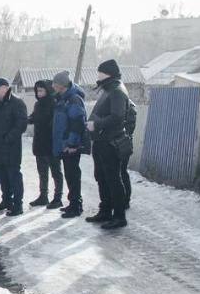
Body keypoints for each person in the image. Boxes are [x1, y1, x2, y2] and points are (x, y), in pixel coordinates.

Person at [86, 59, 131, 229]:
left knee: (113, 179)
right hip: (101, 141)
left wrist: (96, 124)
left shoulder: (117, 91)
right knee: (101, 177)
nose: (98, 76)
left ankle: (119, 216)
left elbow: (117, 117)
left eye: (100, 73)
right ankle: (105, 210)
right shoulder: (108, 89)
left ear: (108, 74)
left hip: (111, 142)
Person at [0, 77, 27, 215]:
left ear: (6, 88)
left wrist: (8, 138)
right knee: (2, 176)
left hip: (11, 148)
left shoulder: (17, 103)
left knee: (14, 176)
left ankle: (18, 204)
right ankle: (6, 200)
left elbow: (21, 124)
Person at [51, 70, 89, 219]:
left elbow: (77, 123)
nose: (53, 87)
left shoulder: (73, 99)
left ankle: (76, 205)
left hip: (71, 145)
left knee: (73, 175)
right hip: (65, 144)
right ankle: (72, 203)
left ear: (61, 85)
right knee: (69, 174)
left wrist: (72, 144)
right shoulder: (63, 98)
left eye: (55, 84)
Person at [28, 79, 63, 209]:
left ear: (48, 91)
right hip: (40, 143)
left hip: (52, 143)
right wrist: (26, 120)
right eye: (37, 90)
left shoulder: (54, 104)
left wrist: (36, 119)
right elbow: (33, 117)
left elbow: (52, 122)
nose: (39, 92)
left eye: (41, 90)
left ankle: (58, 197)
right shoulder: (38, 104)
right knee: (42, 172)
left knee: (56, 172)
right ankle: (43, 196)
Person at [122, 97, 138, 209]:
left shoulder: (129, 109)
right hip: (122, 143)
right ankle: (123, 199)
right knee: (120, 172)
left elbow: (128, 129)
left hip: (123, 145)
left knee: (122, 172)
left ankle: (126, 199)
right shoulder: (126, 106)